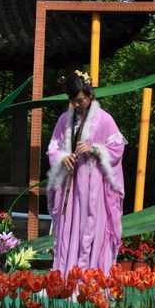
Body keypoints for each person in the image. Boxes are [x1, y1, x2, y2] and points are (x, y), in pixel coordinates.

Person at [46, 71, 126, 275]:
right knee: (69, 228)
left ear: (90, 96)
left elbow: (117, 148)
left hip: (95, 188)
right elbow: (53, 147)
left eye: (80, 99)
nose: (77, 104)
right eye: (73, 100)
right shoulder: (65, 119)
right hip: (70, 188)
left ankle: (93, 276)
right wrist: (63, 157)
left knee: (93, 227)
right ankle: (67, 276)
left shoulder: (105, 120)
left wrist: (94, 149)